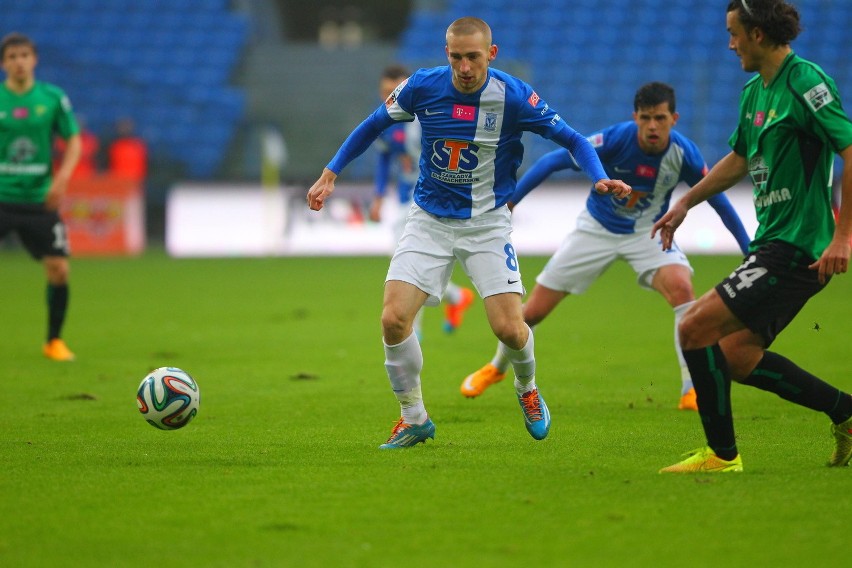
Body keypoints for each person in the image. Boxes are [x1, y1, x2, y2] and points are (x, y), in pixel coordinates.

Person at [307, 17, 631, 449]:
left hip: (486, 223)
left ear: (490, 55)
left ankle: (526, 388)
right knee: (393, 319)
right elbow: (373, 126)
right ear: (447, 54)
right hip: (428, 219)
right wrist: (330, 174)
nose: (464, 67)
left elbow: (575, 140)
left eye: (473, 57)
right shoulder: (422, 86)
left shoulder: (513, 96)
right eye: (456, 57)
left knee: (510, 330)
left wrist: (598, 177)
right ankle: (414, 417)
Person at [461, 82, 751, 411]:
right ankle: (497, 368)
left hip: (648, 233)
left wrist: (748, 249)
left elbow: (719, 201)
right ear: (635, 117)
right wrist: (512, 203)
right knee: (532, 312)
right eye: (645, 118)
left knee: (682, 289)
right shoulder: (617, 139)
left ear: (674, 118)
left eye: (659, 118)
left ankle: (691, 389)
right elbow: (553, 161)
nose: (652, 126)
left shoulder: (684, 154)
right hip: (595, 230)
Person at [651, 0, 852, 472]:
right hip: (773, 241)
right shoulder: (753, 93)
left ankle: (722, 456)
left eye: (734, 33)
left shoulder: (806, 82)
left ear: (758, 34)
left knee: (694, 327)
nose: (729, 43)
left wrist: (843, 237)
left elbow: (850, 149)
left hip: (800, 245)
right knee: (737, 356)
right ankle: (846, 413)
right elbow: (739, 161)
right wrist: (685, 201)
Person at [368, 64, 475, 338]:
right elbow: (383, 159)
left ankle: (415, 326)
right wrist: (379, 197)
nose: (389, 98)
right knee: (408, 259)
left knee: (409, 261)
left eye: (394, 91)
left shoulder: (426, 117)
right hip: (408, 198)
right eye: (384, 92)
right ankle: (453, 298)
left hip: (433, 197)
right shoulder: (385, 122)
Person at [0, 32, 81, 361]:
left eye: (24, 55)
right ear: (4, 63)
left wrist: (62, 178)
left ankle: (54, 341)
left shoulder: (52, 98)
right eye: (12, 56)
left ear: (34, 60)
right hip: (2, 197)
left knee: (59, 270)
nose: (19, 62)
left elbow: (73, 139)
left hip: (39, 201)